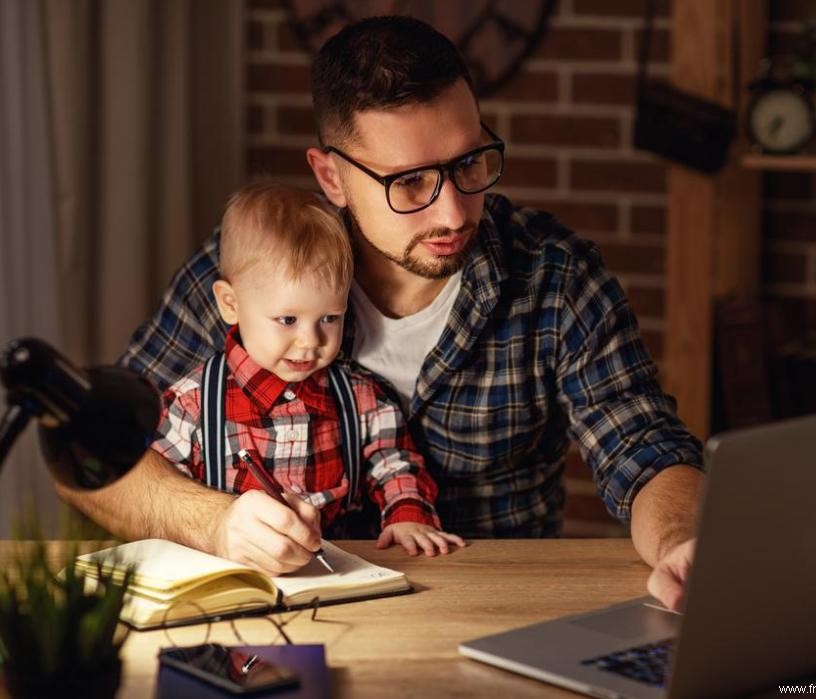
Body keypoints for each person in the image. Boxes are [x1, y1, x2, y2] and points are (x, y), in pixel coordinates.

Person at [56, 16, 704, 612]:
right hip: (276, 621)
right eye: (411, 182)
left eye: (470, 162)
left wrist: (681, 539)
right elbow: (92, 459)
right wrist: (215, 521)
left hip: (494, 616)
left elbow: (643, 447)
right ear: (332, 178)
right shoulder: (247, 280)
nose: (453, 213)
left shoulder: (555, 280)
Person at [150, 183, 464, 567]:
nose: (310, 340)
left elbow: (395, 461)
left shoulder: (360, 398)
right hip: (237, 576)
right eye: (287, 320)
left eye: (330, 318)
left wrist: (408, 514)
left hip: (342, 572)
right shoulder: (193, 404)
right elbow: (164, 493)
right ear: (231, 304)